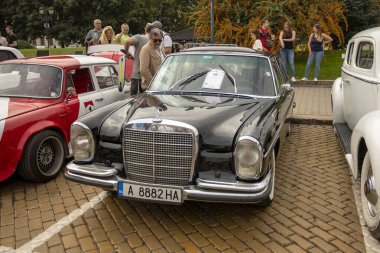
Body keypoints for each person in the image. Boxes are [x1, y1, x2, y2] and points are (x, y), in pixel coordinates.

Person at [124, 23, 150, 95]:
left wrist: (127, 53)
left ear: (145, 30)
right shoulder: (157, 41)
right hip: (150, 76)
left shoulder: (140, 37)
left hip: (137, 75)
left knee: (133, 101)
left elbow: (127, 42)